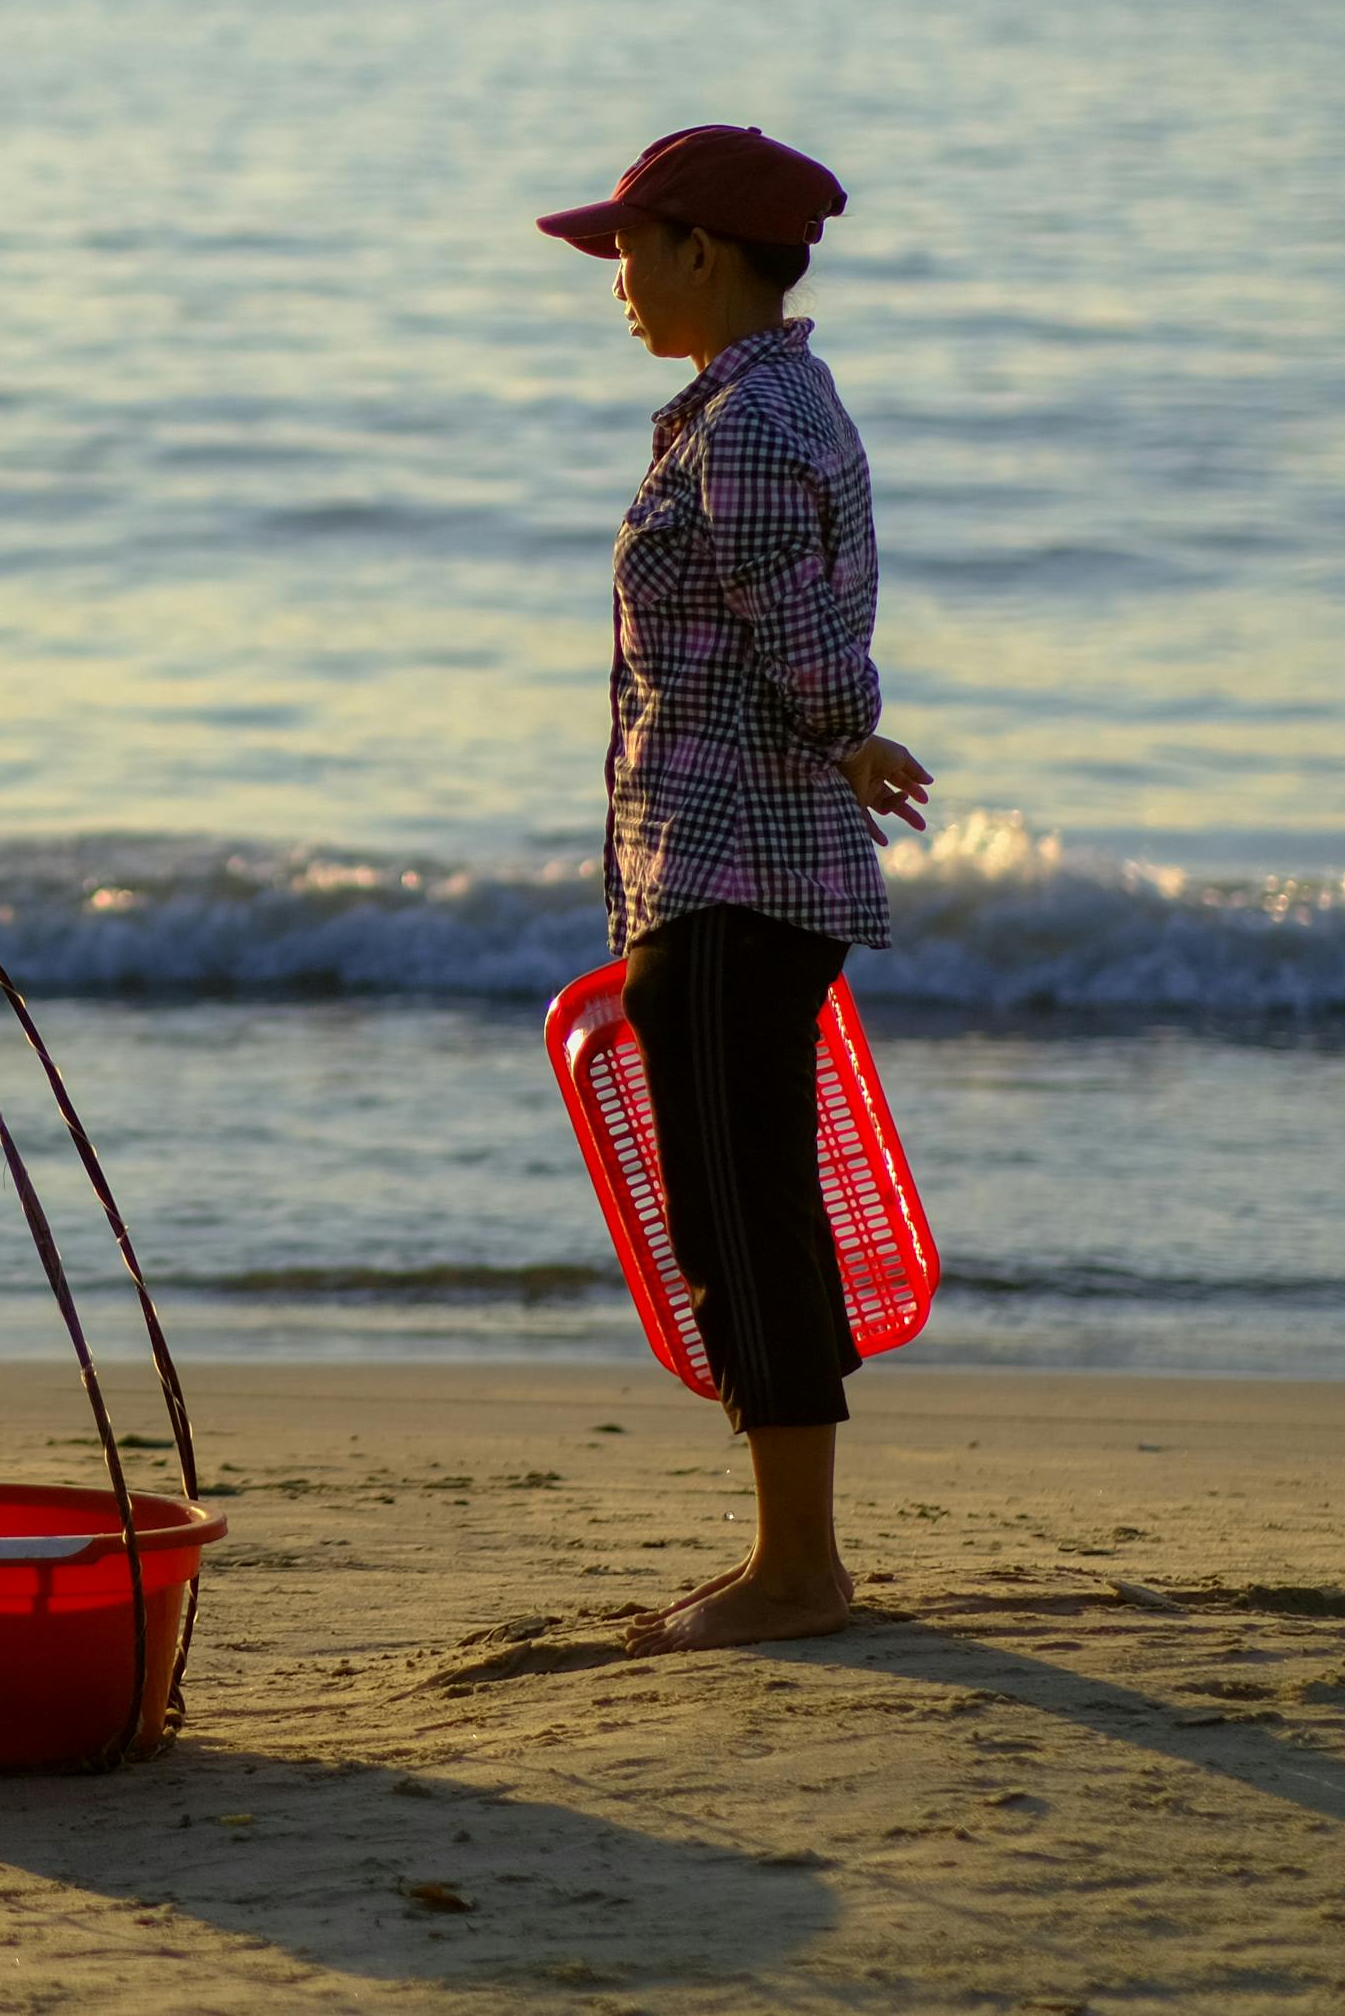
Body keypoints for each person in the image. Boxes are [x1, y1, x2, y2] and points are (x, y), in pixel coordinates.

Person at [536, 124, 934, 1655]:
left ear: (702, 251)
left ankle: (796, 1572)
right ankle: (794, 1557)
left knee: (739, 1213)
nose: (618, 280)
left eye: (630, 250)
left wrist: (848, 732)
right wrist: (843, 735)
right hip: (728, 869)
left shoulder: (751, 425)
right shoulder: (764, 403)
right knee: (748, 1200)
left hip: (734, 869)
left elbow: (804, 640)